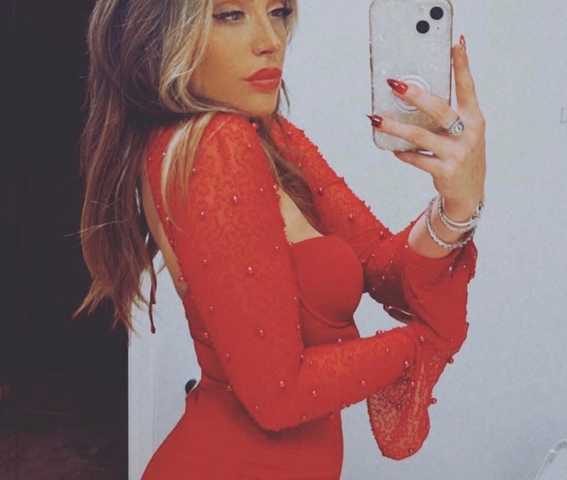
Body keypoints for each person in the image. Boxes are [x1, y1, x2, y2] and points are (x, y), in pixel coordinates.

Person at [73, 0, 487, 478]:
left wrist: (458, 205)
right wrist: (420, 345)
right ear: (162, 32)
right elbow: (278, 395)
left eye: (278, 11)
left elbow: (382, 269)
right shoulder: (217, 145)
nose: (270, 41)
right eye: (230, 15)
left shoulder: (266, 136)